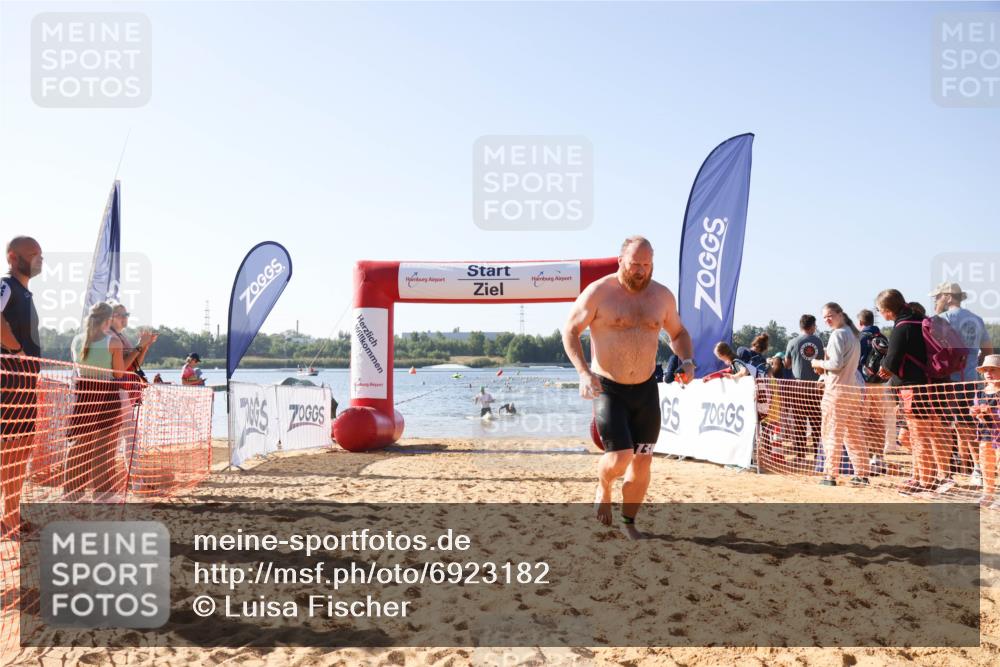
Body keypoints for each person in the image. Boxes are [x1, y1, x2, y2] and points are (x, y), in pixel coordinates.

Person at [562, 235, 694, 539]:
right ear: (621, 260)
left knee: (643, 459)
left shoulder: (662, 296)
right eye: (635, 264)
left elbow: (679, 332)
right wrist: (583, 372)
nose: (641, 271)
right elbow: (570, 330)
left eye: (647, 265)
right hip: (609, 387)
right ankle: (604, 486)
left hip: (646, 389)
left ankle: (629, 522)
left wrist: (687, 360)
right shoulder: (599, 292)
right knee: (620, 457)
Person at [876, 289, 940, 494]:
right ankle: (919, 476)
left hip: (912, 387)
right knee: (917, 435)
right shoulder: (919, 320)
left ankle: (925, 481)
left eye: (880, 310)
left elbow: (891, 363)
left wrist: (883, 368)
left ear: (887, 310)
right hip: (929, 383)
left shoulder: (902, 327)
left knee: (918, 435)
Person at [932, 282, 994, 487]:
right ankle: (977, 469)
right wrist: (975, 369)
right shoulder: (976, 319)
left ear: (948, 297)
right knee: (969, 425)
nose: (935, 300)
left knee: (944, 427)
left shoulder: (942, 319)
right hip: (971, 381)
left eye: (938, 296)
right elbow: (987, 350)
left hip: (948, 382)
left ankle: (947, 473)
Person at [0, 236, 42, 538]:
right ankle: (9, 518)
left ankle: (11, 516)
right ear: (13, 257)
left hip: (26, 383)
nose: (39, 259)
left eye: (41, 254)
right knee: (9, 451)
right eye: (33, 253)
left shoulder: (25, 294)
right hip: (9, 381)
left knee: (21, 451)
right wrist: (15, 350)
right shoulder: (6, 285)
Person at [67, 302, 126, 499]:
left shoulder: (76, 341)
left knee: (79, 445)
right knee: (102, 447)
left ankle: (72, 492)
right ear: (108, 320)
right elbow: (119, 373)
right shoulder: (113, 342)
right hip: (106, 394)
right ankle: (103, 493)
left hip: (84, 394)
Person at [811, 303, 866, 487]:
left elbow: (835, 364)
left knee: (831, 433)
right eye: (824, 317)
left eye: (829, 315)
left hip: (837, 391)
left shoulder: (838, 334)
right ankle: (861, 473)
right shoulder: (853, 335)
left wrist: (817, 362)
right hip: (853, 390)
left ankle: (830, 475)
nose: (827, 319)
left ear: (840, 314)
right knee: (854, 434)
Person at [784, 315, 826, 460]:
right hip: (816, 387)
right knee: (817, 422)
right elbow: (823, 362)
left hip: (798, 386)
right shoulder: (818, 342)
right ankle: (818, 454)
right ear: (813, 326)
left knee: (799, 422)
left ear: (801, 326)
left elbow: (787, 364)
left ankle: (800, 454)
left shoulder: (792, 342)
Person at [970, 354, 1000, 508]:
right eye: (986, 370)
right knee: (986, 465)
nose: (988, 373)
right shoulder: (981, 391)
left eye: (993, 369)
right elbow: (974, 408)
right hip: (985, 435)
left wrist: (991, 412)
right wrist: (974, 411)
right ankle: (988, 494)